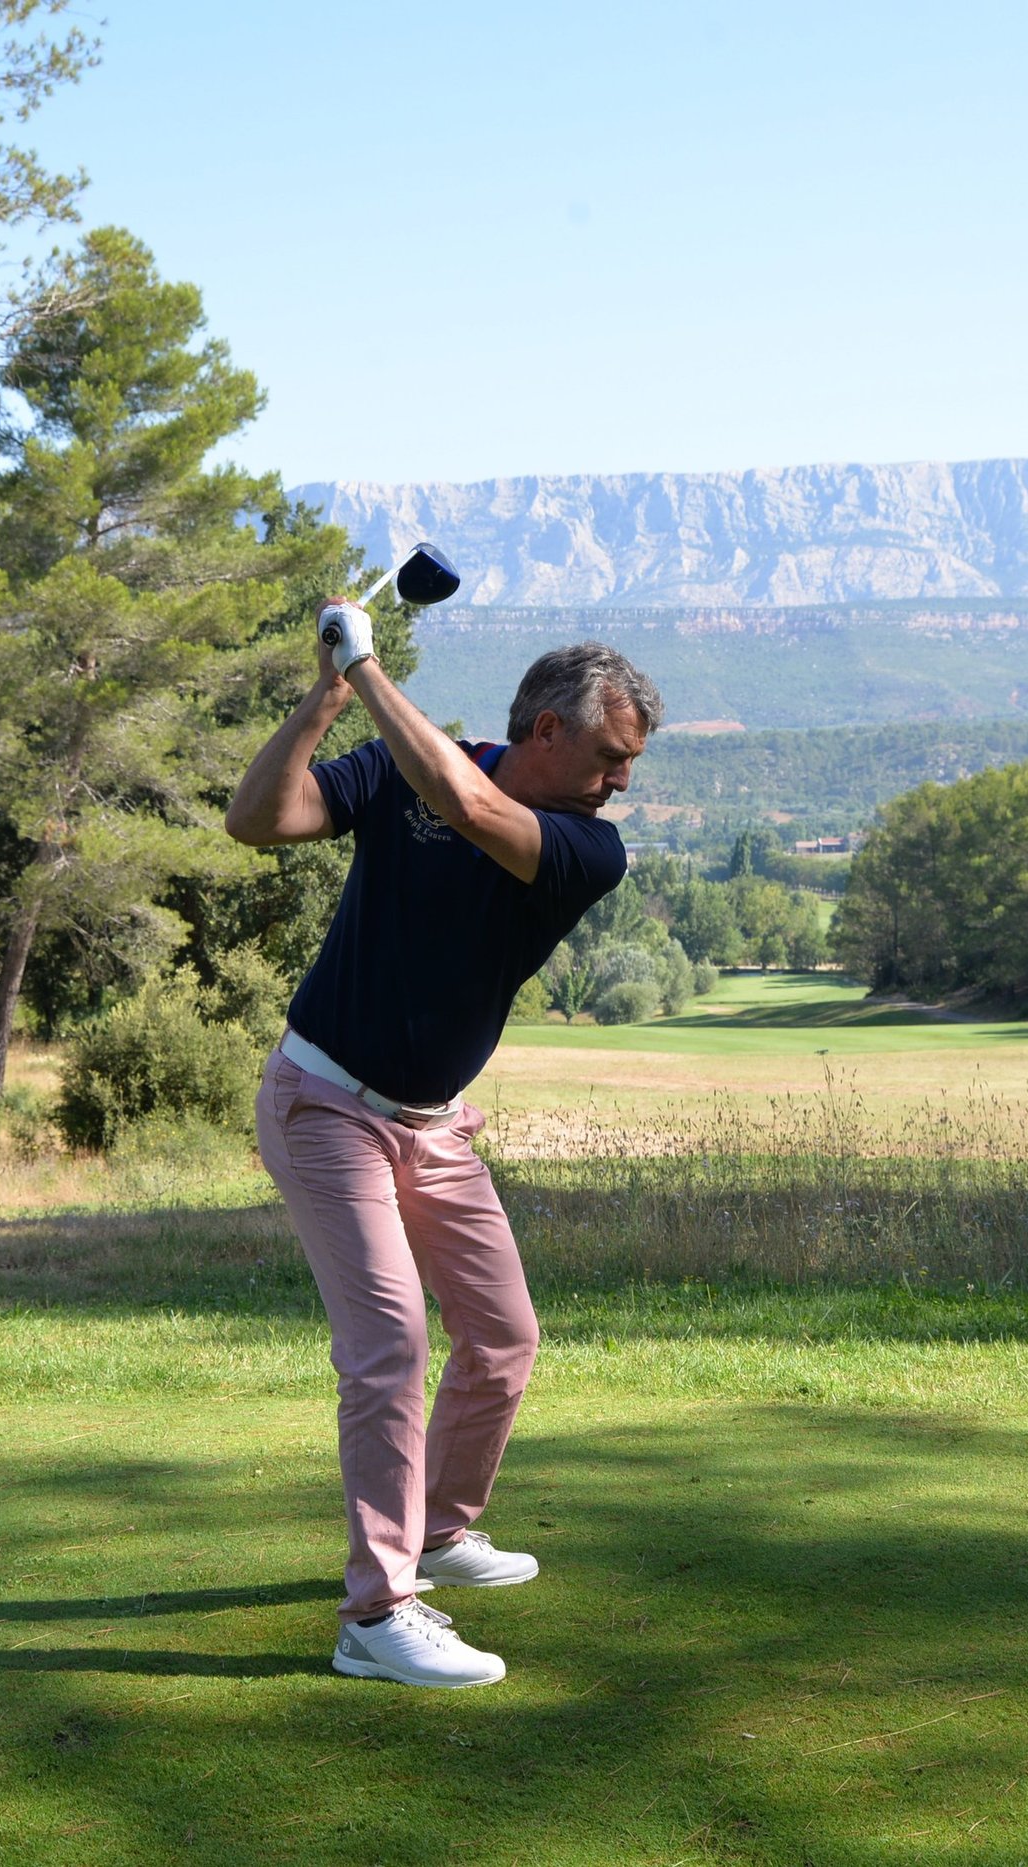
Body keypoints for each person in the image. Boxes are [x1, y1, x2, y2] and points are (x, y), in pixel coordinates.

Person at [225, 594, 660, 1688]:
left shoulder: (583, 850)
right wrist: (321, 705)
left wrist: (367, 666)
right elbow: (257, 820)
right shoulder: (396, 768)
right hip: (324, 1104)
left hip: (432, 1124)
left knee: (503, 1339)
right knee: (388, 1348)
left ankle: (434, 1527)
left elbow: (464, 804)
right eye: (610, 756)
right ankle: (375, 1614)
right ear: (547, 730)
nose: (620, 782)